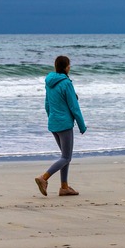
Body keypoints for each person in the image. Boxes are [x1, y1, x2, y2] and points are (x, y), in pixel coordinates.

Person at [35, 55, 87, 197]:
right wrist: (82, 125)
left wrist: (52, 118)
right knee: (66, 157)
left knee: (65, 156)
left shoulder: (49, 82)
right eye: (69, 65)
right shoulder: (66, 83)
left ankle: (64, 187)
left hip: (54, 123)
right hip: (64, 124)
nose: (70, 67)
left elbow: (47, 104)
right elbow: (74, 107)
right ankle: (43, 178)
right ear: (65, 67)